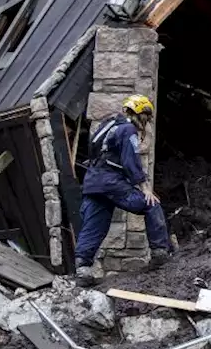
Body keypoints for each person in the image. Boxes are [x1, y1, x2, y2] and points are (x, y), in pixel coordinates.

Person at [74, 95, 174, 285]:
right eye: (146, 116)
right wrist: (145, 188)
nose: (147, 121)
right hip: (111, 182)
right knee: (151, 204)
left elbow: (93, 154)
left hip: (93, 183)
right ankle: (160, 253)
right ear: (140, 113)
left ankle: (82, 269)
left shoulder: (108, 126)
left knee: (95, 225)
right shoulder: (128, 130)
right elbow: (131, 162)